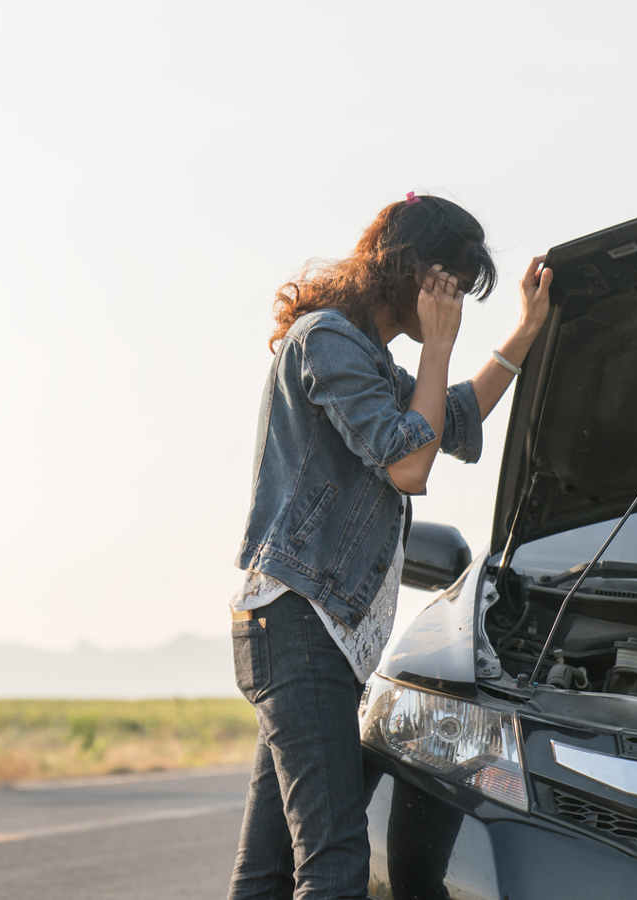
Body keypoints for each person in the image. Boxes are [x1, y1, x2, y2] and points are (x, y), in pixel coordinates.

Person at [228, 192, 552, 900]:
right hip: (298, 622)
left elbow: (452, 422)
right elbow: (410, 464)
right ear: (412, 269)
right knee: (336, 865)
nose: (453, 304)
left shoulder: (367, 357)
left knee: (269, 872)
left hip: (313, 635)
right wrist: (438, 347)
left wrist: (524, 335)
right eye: (450, 286)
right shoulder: (330, 341)